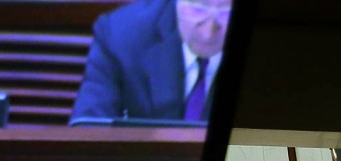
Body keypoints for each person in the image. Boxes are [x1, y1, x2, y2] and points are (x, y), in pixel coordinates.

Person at [71, 0, 232, 121]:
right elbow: (90, 127)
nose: (208, 33)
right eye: (197, 10)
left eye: (226, 14)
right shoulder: (120, 34)